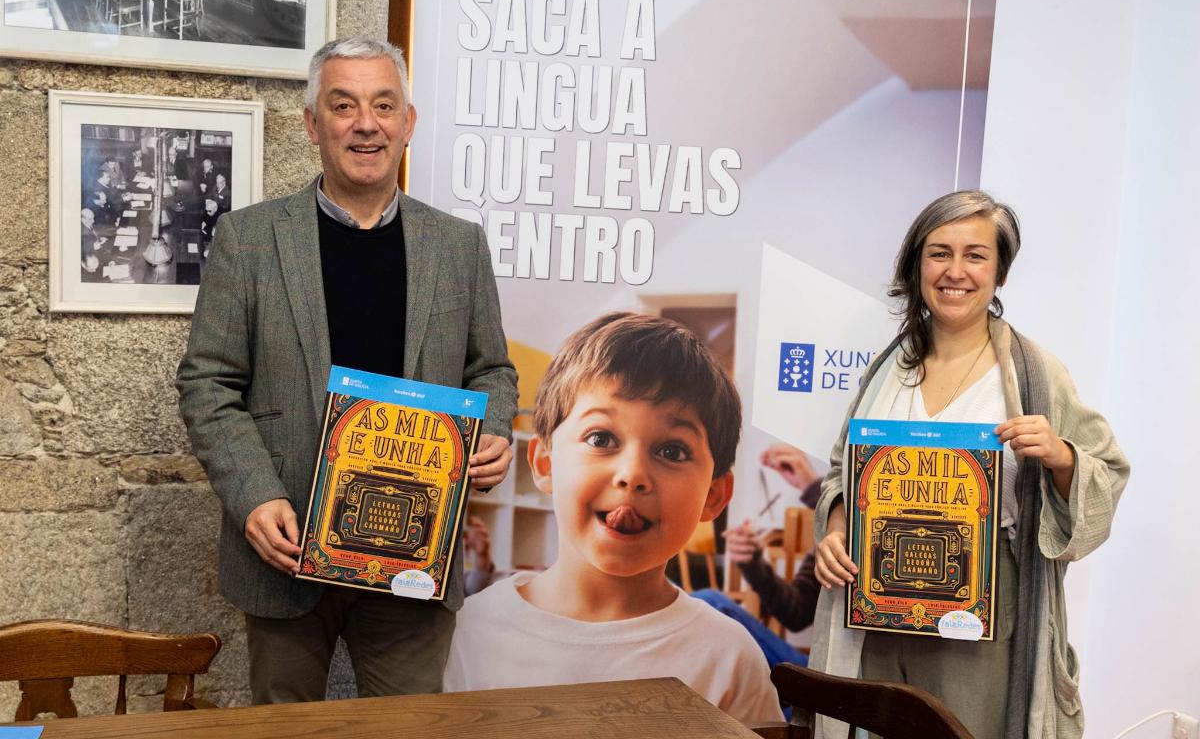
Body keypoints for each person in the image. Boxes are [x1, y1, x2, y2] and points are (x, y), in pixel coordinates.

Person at [176, 36, 518, 705]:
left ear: (408, 123)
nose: (367, 124)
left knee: (410, 729)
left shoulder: (458, 245)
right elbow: (207, 384)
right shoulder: (248, 239)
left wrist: (495, 430)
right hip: (287, 546)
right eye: (344, 106)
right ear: (313, 123)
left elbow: (492, 370)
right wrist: (255, 497)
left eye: (384, 105)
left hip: (417, 550)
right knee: (284, 730)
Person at [808, 191, 1129, 739]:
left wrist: (1061, 456)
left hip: (980, 630)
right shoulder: (886, 370)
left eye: (975, 255)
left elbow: (1107, 471)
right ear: (917, 265)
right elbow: (843, 471)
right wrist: (838, 529)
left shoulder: (1034, 374)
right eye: (939, 253)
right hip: (880, 615)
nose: (955, 271)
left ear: (999, 273)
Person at [444, 312, 783, 725]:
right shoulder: (467, 631)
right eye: (601, 438)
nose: (633, 474)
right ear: (545, 464)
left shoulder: (730, 658)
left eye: (672, 451)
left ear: (714, 496)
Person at [692, 443, 822, 669]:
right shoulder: (829, 539)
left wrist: (813, 488)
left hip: (835, 676)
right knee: (703, 602)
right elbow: (796, 613)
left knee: (707, 602)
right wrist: (753, 563)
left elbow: (855, 524)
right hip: (810, 667)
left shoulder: (863, 535)